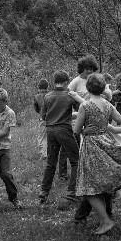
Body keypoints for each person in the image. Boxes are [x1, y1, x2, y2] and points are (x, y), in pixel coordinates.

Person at [74, 73, 121, 235]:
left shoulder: (85, 106)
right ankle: (105, 216)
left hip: (91, 146)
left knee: (89, 187)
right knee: (103, 182)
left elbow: (76, 129)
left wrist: (86, 129)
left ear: (88, 88)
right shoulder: (107, 105)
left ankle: (106, 221)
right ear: (102, 88)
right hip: (106, 143)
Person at [39, 70, 84, 204]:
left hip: (50, 130)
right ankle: (72, 192)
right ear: (66, 82)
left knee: (51, 163)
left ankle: (43, 192)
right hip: (64, 130)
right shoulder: (69, 96)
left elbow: (43, 116)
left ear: (54, 82)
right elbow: (83, 108)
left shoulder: (47, 96)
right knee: (76, 161)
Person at [33, 79, 49, 160]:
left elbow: (36, 108)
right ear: (47, 87)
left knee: (41, 137)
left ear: (38, 88)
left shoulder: (36, 97)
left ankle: (44, 154)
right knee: (50, 137)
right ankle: (50, 153)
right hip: (52, 119)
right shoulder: (50, 95)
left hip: (42, 119)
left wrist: (40, 112)